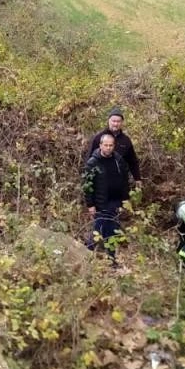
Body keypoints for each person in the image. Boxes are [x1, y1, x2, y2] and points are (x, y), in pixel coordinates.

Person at [82, 131, 131, 262]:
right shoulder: (93, 162)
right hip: (101, 202)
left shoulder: (118, 160)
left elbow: (125, 181)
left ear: (114, 146)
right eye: (106, 145)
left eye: (111, 145)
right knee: (100, 229)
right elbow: (87, 186)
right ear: (100, 145)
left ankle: (111, 258)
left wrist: (125, 199)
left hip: (116, 201)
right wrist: (90, 205)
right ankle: (87, 253)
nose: (108, 148)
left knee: (113, 230)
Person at [86, 106, 141, 185]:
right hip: (101, 181)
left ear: (122, 122)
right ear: (109, 121)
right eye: (113, 121)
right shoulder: (98, 138)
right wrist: (88, 180)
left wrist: (137, 178)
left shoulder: (126, 140)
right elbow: (89, 160)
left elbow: (132, 161)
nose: (115, 124)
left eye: (118, 121)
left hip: (120, 181)